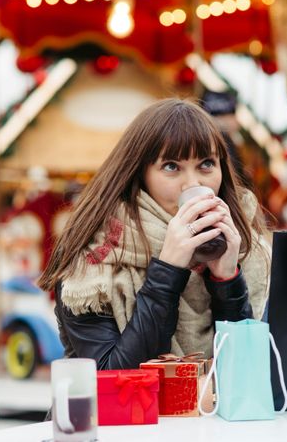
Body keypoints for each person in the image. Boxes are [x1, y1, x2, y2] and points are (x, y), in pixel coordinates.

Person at [38, 99, 271, 369]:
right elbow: (114, 377)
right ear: (140, 174)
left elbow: (246, 372)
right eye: (171, 167)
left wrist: (227, 280)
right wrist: (169, 269)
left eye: (206, 164)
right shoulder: (95, 255)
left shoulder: (246, 248)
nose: (193, 184)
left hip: (208, 412)